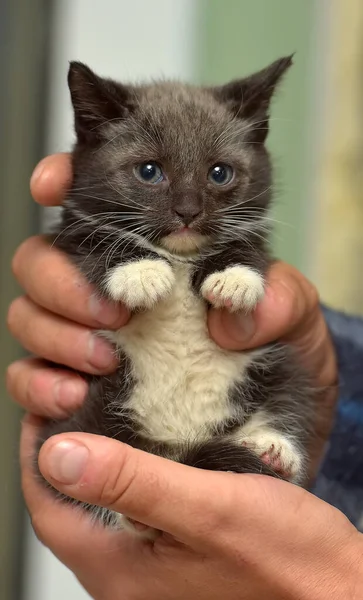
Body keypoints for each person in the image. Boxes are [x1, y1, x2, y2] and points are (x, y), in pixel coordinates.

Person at [6, 154, 363, 599]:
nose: (189, 205)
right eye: (151, 173)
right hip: (127, 429)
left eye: (218, 175)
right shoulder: (109, 230)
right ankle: (144, 499)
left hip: (236, 420)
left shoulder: (231, 243)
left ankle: (240, 452)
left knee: (282, 375)